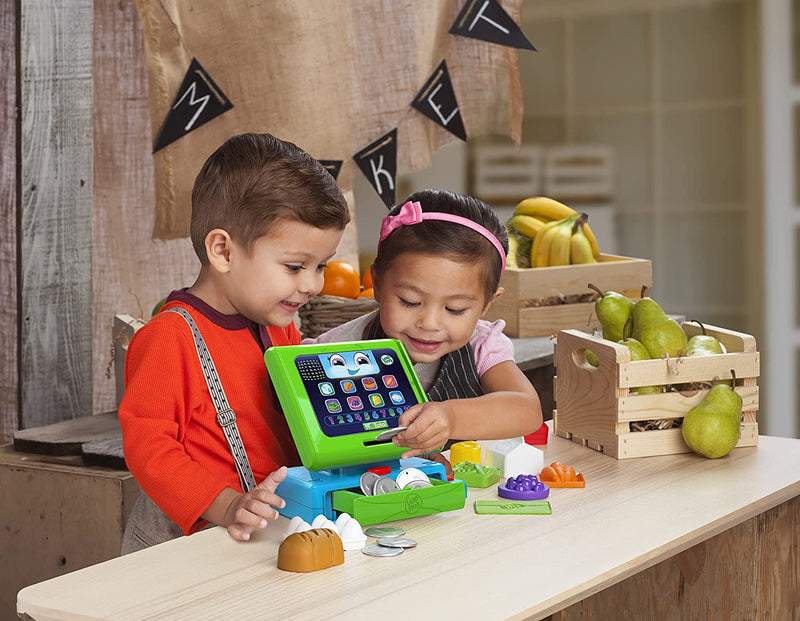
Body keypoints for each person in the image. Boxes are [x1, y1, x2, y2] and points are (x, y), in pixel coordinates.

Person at [118, 132, 350, 553]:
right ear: (223, 251)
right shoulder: (169, 338)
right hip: (190, 542)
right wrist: (225, 505)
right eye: (295, 266)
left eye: (322, 266)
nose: (313, 284)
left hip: (268, 526)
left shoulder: (279, 325)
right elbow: (149, 450)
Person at [307, 189, 543, 457]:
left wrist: (451, 417)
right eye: (409, 301)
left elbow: (527, 410)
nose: (429, 324)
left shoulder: (482, 345)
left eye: (455, 309)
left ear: (487, 304)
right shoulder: (330, 351)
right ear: (379, 286)